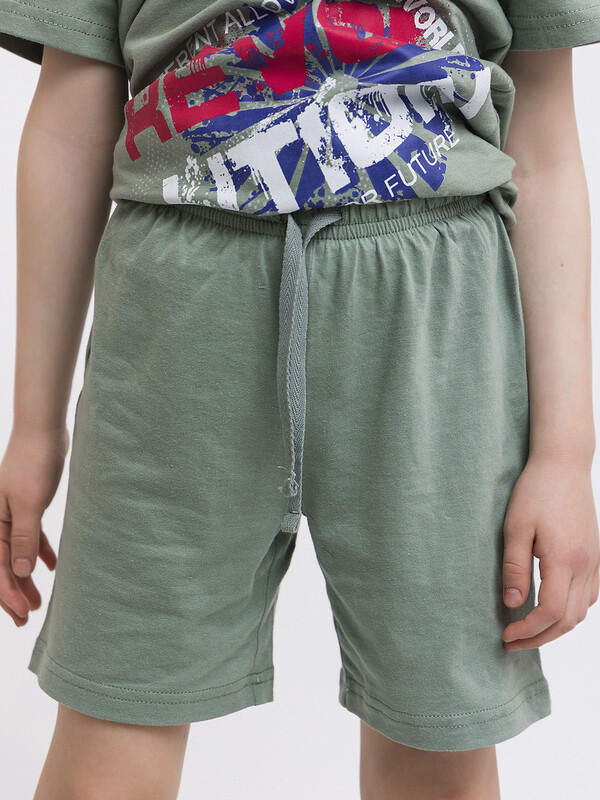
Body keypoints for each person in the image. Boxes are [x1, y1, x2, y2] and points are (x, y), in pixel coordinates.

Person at [1, 0, 599, 797]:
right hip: (179, 307)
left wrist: (565, 453)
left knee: (438, 741)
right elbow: (71, 117)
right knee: (114, 726)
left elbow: (545, 140)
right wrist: (34, 426)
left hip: (433, 318)